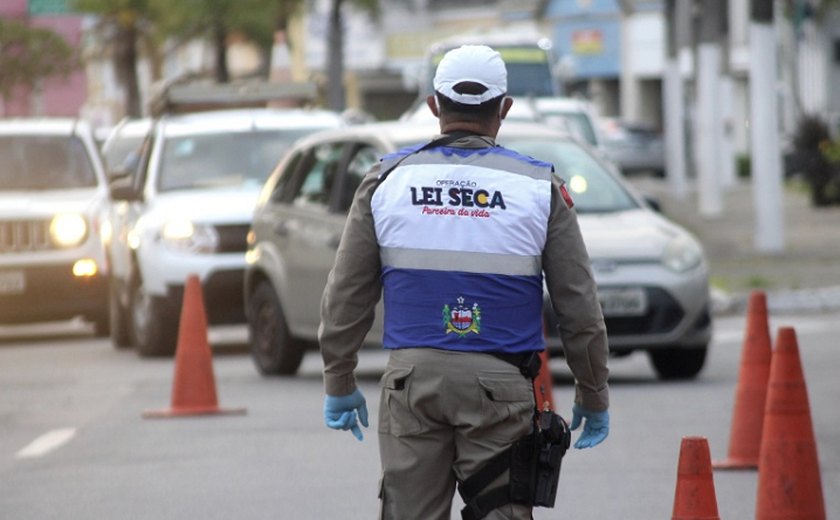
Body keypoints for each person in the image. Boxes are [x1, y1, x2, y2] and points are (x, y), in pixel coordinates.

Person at [319, 44, 610, 520]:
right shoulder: (540, 188)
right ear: (505, 108)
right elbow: (579, 307)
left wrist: (339, 378)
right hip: (502, 385)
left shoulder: (386, 180)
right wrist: (592, 393)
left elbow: (346, 295)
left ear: (434, 105)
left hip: (412, 382)